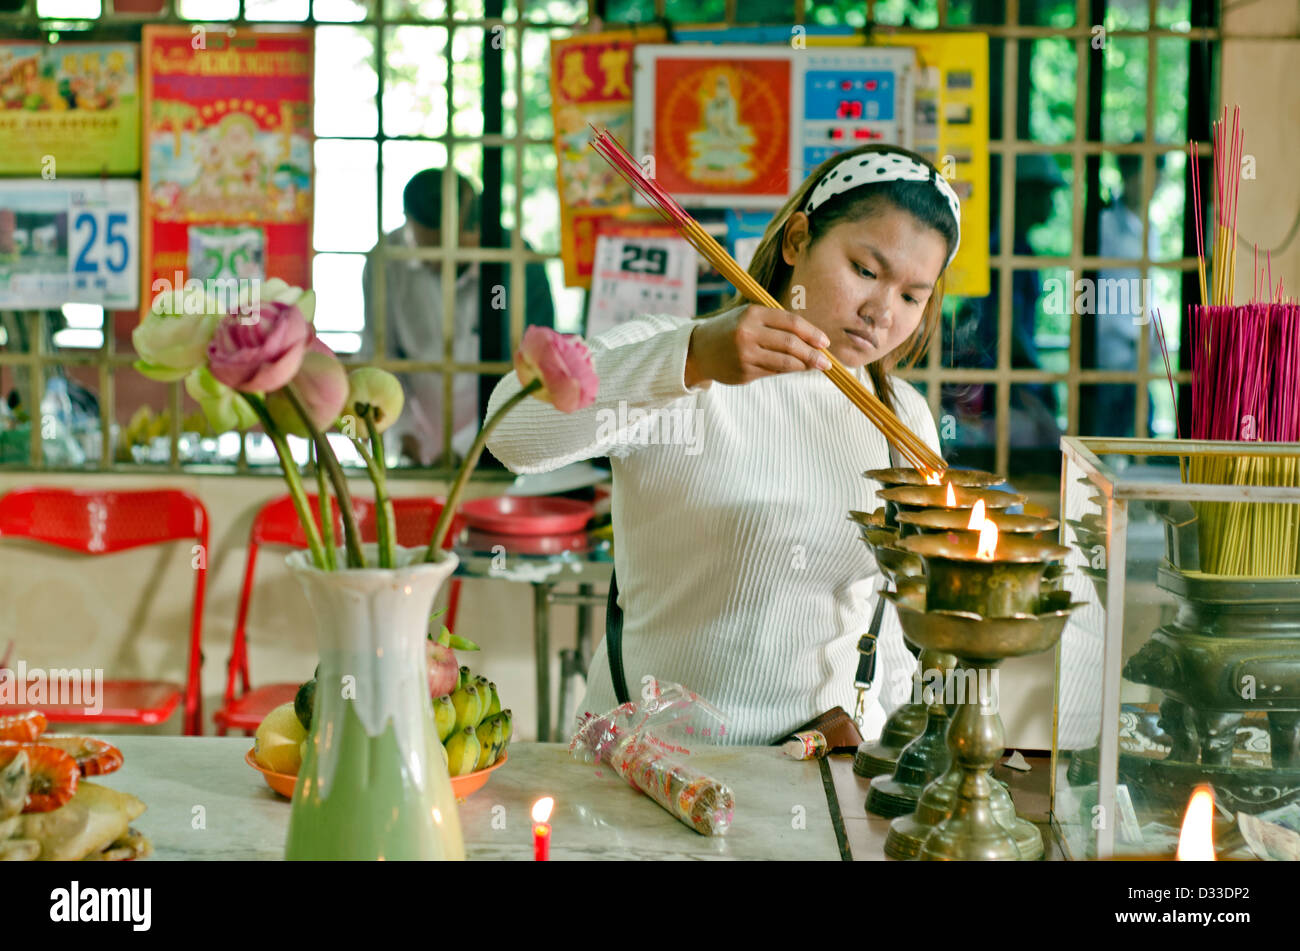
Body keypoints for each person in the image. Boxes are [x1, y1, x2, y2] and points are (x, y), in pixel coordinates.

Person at [486, 144, 960, 744]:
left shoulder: (902, 416)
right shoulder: (685, 360)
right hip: (651, 768)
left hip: (824, 775)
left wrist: (893, 749)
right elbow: (511, 429)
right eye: (865, 271)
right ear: (796, 241)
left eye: (912, 296)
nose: (880, 312)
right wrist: (691, 359)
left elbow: (881, 615)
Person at [359, 168, 555, 465]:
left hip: (501, 443)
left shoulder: (516, 263)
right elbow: (381, 355)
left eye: (450, 249)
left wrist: (467, 447)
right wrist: (403, 435)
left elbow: (533, 372)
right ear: (408, 222)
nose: (437, 264)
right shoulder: (387, 260)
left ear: (475, 231)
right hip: (415, 443)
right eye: (428, 250)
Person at [1089, 146, 1164, 436]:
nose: (1153, 183)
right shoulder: (1105, 225)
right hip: (1110, 353)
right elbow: (1097, 292)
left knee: (1141, 432)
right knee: (1109, 435)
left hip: (1140, 353)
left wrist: (1154, 332)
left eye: (1157, 176)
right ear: (1127, 175)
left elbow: (1146, 289)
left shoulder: (1150, 229)